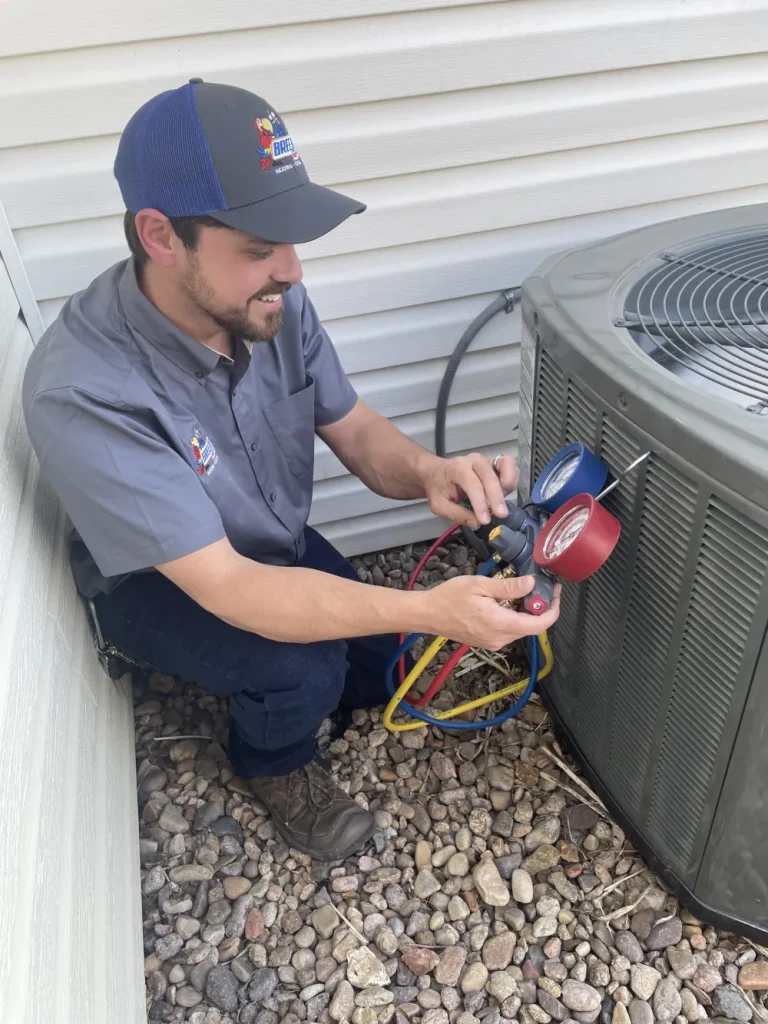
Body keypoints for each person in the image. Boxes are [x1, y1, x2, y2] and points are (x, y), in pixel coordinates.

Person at [22, 79, 560, 862]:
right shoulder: (86, 390)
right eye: (258, 247)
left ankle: (281, 684)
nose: (294, 271)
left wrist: (431, 472)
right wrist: (441, 611)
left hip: (264, 540)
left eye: (291, 241)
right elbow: (235, 590)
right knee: (303, 668)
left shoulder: (265, 303)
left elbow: (357, 431)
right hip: (162, 578)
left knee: (384, 668)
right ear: (161, 236)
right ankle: (273, 763)